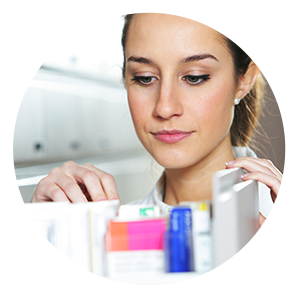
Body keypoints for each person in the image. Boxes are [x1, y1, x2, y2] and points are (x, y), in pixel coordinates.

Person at [31, 12, 287, 285]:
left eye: (194, 77)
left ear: (243, 80)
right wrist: (37, 250)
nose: (165, 107)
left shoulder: (286, 231)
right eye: (144, 78)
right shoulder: (103, 238)